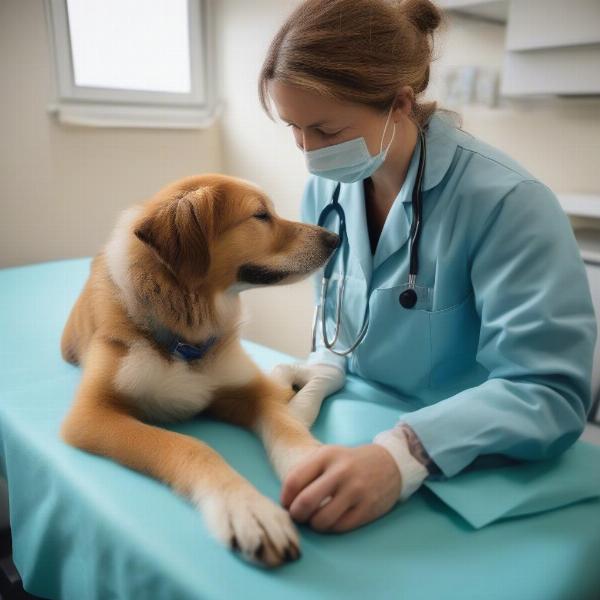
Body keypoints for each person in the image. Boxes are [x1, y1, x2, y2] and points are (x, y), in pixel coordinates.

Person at [259, 0, 597, 533]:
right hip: (357, 426)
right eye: (293, 128)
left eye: (326, 131)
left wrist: (404, 455)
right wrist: (323, 367)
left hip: (467, 459)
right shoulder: (325, 191)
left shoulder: (507, 202)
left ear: (399, 103)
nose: (308, 152)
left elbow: (550, 394)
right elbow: (339, 319)